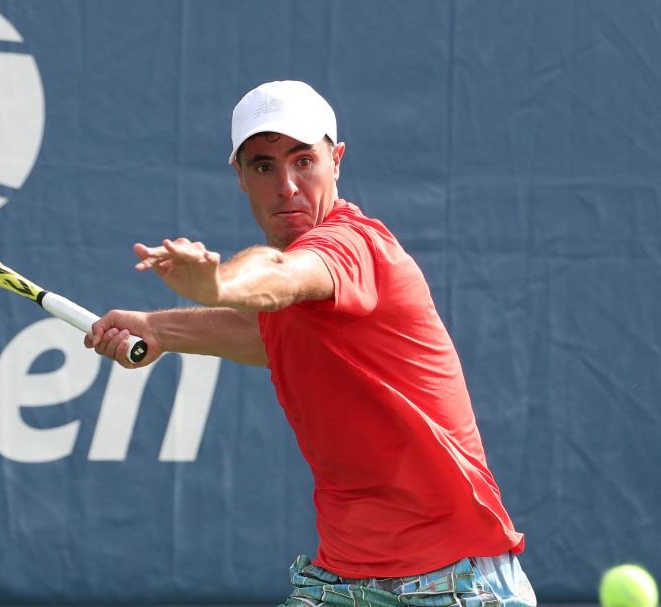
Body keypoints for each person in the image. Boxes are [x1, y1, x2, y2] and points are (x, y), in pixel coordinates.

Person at [86, 80, 537, 607]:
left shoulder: (355, 246)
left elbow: (280, 275)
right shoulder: (296, 311)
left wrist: (220, 285)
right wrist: (160, 329)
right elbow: (271, 333)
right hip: (342, 579)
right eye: (263, 167)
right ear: (240, 177)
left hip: (454, 581)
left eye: (304, 161)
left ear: (337, 160)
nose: (287, 186)